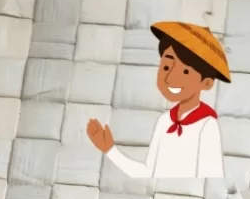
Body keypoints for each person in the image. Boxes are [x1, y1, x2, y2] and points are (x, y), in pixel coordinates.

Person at [86, 22, 230, 179]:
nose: (169, 78)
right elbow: (148, 173)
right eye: (167, 67)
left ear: (207, 83)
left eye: (185, 71)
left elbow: (212, 181)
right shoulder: (164, 121)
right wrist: (110, 150)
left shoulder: (207, 126)